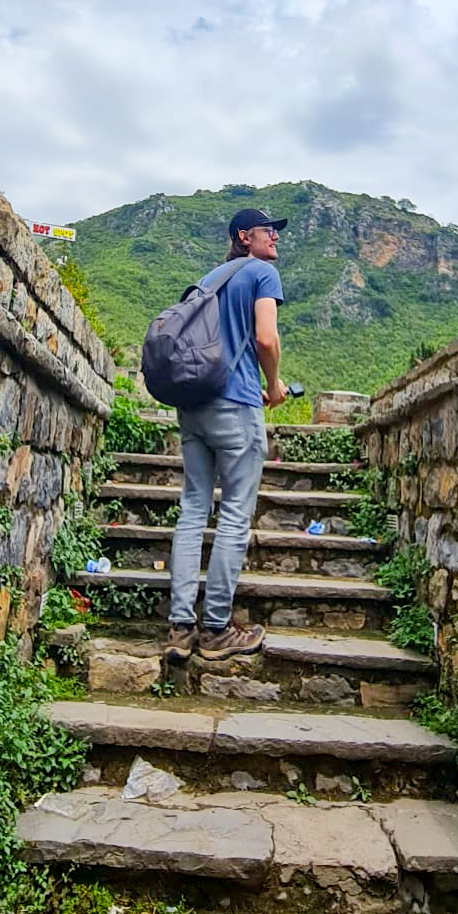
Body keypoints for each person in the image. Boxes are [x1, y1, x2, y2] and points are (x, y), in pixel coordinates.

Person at [165, 207, 288, 663]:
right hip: (235, 405)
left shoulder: (210, 277)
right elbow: (265, 340)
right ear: (244, 236)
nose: (274, 237)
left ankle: (180, 628)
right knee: (235, 513)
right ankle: (216, 629)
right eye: (266, 230)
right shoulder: (261, 274)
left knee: (193, 508)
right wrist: (273, 383)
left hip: (193, 405)